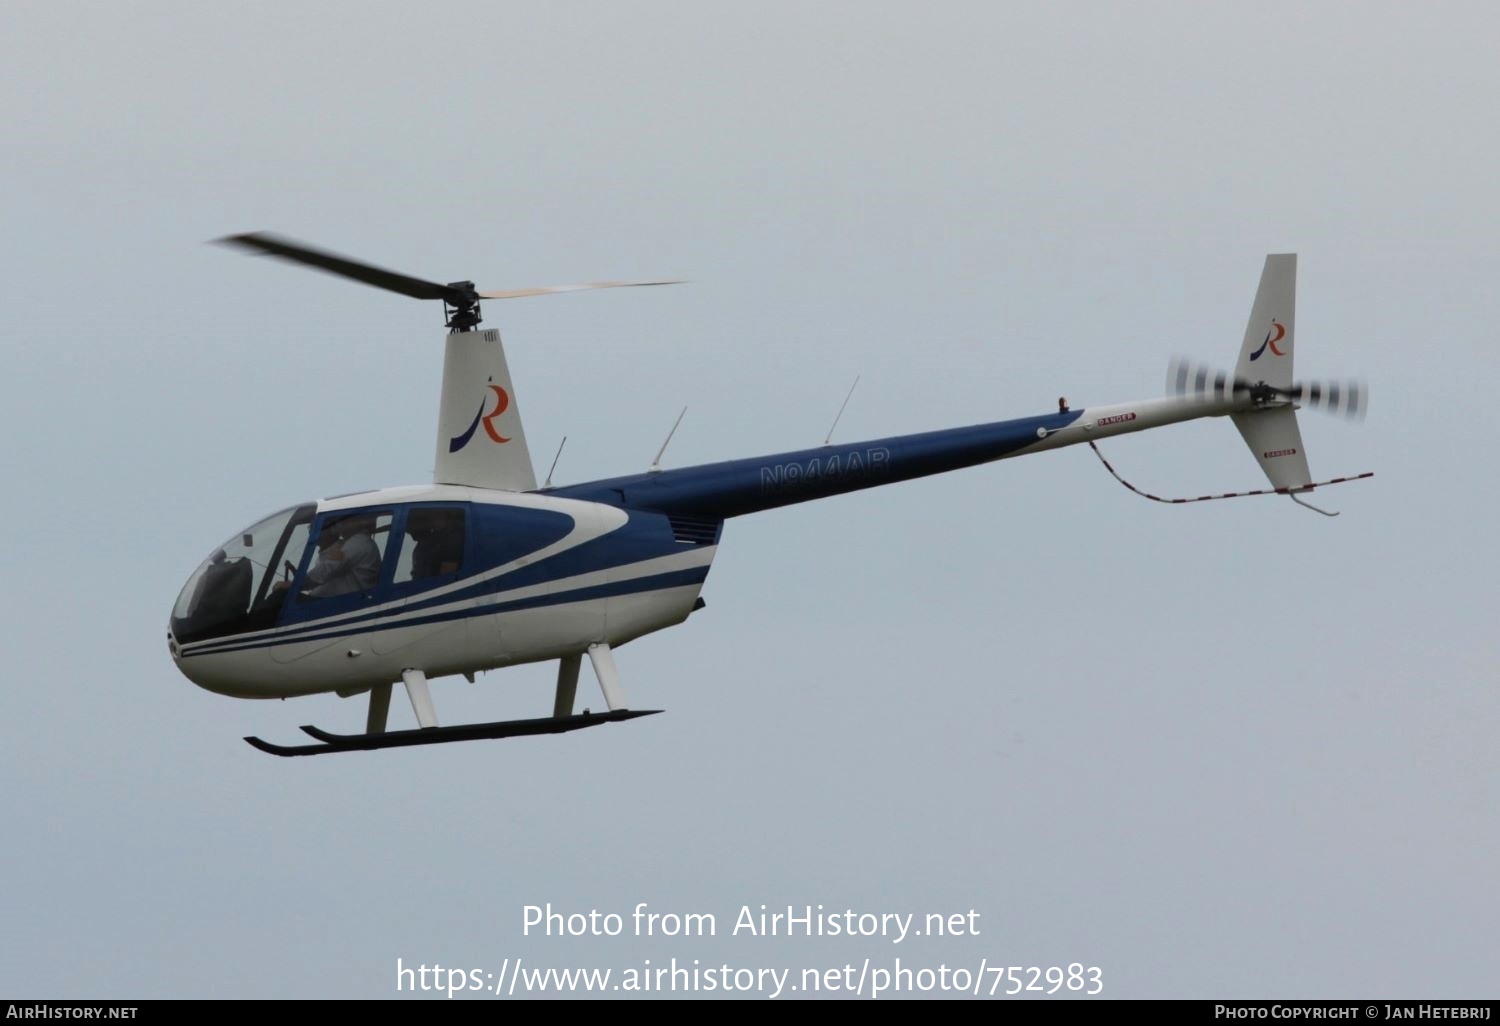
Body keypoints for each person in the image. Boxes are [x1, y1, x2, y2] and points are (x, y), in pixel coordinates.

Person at [303, 515, 382, 598]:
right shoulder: (340, 548)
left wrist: (297, 584)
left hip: (354, 605)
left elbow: (327, 570)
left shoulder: (358, 543)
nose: (339, 526)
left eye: (342, 522)